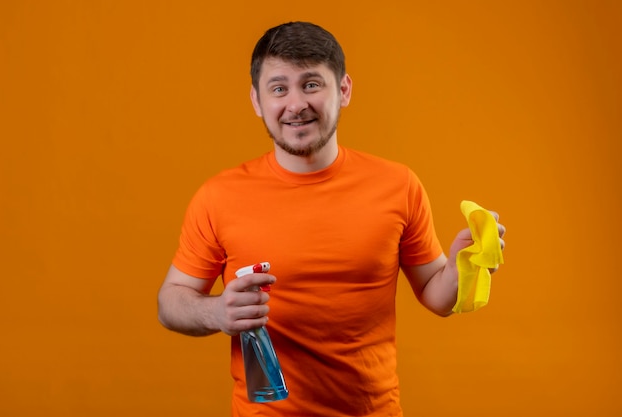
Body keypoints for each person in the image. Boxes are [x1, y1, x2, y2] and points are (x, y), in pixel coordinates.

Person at [157, 21, 506, 417]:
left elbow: (436, 294)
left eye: (311, 84)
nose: (295, 104)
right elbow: (171, 301)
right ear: (257, 101)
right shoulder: (218, 196)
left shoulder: (398, 184)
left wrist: (465, 264)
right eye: (278, 88)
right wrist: (216, 312)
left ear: (343, 90)